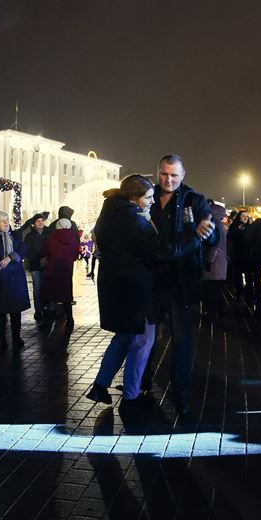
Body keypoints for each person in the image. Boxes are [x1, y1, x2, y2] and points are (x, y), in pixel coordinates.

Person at [142, 154, 216, 416]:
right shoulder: (148, 197)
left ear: (183, 175)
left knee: (181, 341)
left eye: (174, 175)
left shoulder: (194, 200)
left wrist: (208, 231)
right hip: (151, 280)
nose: (169, 180)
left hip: (181, 281)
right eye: (164, 174)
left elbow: (211, 235)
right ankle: (142, 381)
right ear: (157, 172)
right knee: (145, 337)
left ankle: (180, 392)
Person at [87, 175, 161, 405]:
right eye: (148, 197)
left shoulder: (110, 214)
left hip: (118, 288)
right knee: (142, 342)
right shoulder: (132, 221)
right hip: (136, 290)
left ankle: (100, 386)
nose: (152, 201)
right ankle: (131, 395)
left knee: (123, 338)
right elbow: (157, 250)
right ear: (133, 198)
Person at [0, 211, 30, 348]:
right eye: (2, 221)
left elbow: (23, 249)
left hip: (15, 278)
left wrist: (11, 257)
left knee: (16, 311)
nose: (6, 223)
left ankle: (16, 337)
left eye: (7, 220)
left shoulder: (15, 235)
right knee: (0, 311)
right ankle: (2, 339)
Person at [39, 218, 81, 330]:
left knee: (49, 294)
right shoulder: (74, 238)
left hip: (52, 269)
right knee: (66, 295)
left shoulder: (52, 238)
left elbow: (45, 251)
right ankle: (70, 319)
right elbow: (75, 255)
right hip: (67, 270)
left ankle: (47, 321)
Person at [202, 202, 229, 321]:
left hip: (215, 262)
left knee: (212, 289)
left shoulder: (214, 225)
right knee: (217, 289)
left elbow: (214, 246)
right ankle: (220, 311)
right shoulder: (220, 225)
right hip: (221, 261)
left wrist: (209, 261)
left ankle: (213, 312)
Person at [227, 209, 253, 303]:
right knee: (238, 275)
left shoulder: (249, 227)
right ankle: (239, 293)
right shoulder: (234, 226)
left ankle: (249, 293)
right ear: (239, 217)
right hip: (237, 255)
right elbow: (230, 237)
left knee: (248, 275)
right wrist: (238, 230)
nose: (246, 218)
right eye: (243, 216)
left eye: (247, 216)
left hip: (248, 255)